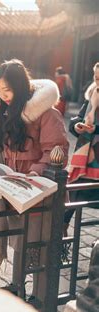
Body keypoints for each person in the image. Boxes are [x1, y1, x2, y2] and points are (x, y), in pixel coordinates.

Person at [0, 59, 69, 299]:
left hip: (39, 193)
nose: (3, 96)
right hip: (11, 191)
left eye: (7, 90)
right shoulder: (2, 113)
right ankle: (18, 288)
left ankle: (40, 298)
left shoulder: (47, 114)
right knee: (18, 241)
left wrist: (36, 171)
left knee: (40, 245)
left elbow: (56, 150)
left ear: (20, 85)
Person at [65, 62, 99, 236]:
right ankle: (61, 238)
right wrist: (76, 125)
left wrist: (96, 129)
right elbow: (79, 118)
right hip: (84, 156)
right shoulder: (93, 94)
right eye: (95, 77)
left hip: (96, 158)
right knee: (72, 196)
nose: (97, 80)